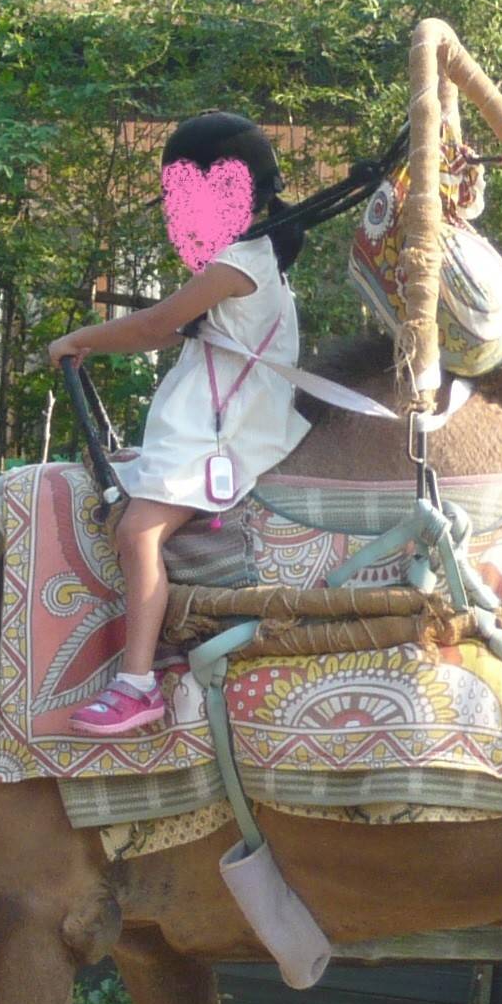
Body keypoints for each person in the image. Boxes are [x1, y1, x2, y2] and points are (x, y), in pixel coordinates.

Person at [49, 112, 312, 736]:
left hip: (224, 433)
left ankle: (136, 683)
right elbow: (176, 328)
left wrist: (79, 338)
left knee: (137, 531)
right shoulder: (253, 260)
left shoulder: (237, 264)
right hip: (222, 423)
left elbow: (153, 326)